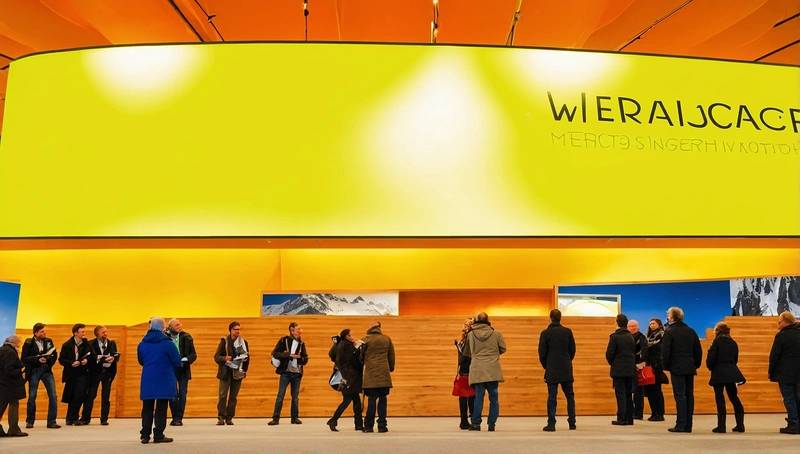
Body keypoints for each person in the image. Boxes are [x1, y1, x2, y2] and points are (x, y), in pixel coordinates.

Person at [137, 317, 181, 444]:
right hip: (165, 378)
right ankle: (158, 434)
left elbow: (141, 361)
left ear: (150, 327)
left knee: (147, 407)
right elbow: (177, 361)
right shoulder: (168, 343)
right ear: (163, 328)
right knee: (161, 407)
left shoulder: (142, 343)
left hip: (148, 378)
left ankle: (145, 435)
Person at [662, 306, 702, 433]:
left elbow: (666, 351)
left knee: (680, 396)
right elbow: (698, 351)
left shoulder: (669, 331)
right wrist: (695, 364)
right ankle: (688, 425)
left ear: (672, 317)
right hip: (689, 367)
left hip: (677, 367)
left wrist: (666, 366)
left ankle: (680, 424)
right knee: (689, 395)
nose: (667, 316)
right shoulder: (691, 331)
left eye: (668, 315)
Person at [463, 312, 506, 432]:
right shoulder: (497, 334)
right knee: (494, 399)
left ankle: (476, 424)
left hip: (478, 370)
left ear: (476, 321)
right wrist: (493, 355)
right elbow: (503, 348)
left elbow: (467, 352)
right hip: (493, 370)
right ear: (488, 321)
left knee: (478, 398)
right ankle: (491, 424)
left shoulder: (470, 335)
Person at [538, 309, 576, 432]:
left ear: (550, 318)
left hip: (552, 368)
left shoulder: (545, 333)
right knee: (570, 396)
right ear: (560, 318)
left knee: (552, 397)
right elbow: (572, 350)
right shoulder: (567, 332)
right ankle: (572, 423)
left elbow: (542, 353)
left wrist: (547, 365)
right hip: (566, 367)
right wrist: (567, 361)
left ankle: (551, 423)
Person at [706, 322, 745, 433]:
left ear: (717, 331)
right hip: (731, 371)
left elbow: (710, 360)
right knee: (734, 398)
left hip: (718, 372)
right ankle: (740, 425)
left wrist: (711, 367)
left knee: (720, 399)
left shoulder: (716, 342)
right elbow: (735, 359)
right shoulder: (733, 342)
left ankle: (721, 426)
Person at [268, 322, 308, 426]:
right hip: (285, 372)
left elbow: (305, 358)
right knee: (280, 396)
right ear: (292, 330)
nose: (300, 331)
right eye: (298, 329)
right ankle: (275, 418)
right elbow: (275, 353)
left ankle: (294, 418)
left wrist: (300, 358)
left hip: (297, 373)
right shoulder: (284, 340)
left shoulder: (302, 343)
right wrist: (288, 355)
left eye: (300, 329)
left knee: (295, 397)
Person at [21, 323, 60, 429]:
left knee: (53, 395)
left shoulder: (49, 341)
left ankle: (51, 421)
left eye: (44, 331)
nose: (44, 333)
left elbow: (54, 354)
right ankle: (30, 421)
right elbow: (24, 358)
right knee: (32, 396)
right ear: (35, 333)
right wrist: (38, 359)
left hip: (47, 370)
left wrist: (48, 361)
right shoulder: (28, 342)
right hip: (34, 370)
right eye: (42, 331)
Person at [768, 311, 800, 434]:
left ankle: (794, 424)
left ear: (786, 321)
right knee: (798, 398)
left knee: (789, 399)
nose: (778, 323)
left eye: (779, 321)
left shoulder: (782, 336)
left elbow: (774, 356)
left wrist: (771, 372)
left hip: (785, 373)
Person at [361, 321, 395, 433]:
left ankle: (368, 426)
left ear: (371, 328)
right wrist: (390, 368)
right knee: (383, 400)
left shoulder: (365, 339)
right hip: (384, 375)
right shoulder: (386, 339)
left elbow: (360, 356)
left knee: (371, 400)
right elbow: (391, 355)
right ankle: (382, 426)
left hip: (370, 375)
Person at [327, 328, 364, 432]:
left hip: (345, 377)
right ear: (346, 336)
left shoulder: (339, 345)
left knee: (355, 400)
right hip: (350, 377)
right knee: (348, 400)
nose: (352, 337)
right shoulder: (347, 346)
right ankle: (333, 420)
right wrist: (357, 348)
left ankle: (359, 425)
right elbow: (354, 361)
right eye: (350, 335)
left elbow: (332, 356)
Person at [214, 321, 250, 426]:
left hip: (237, 373)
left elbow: (247, 358)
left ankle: (229, 418)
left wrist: (244, 371)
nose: (238, 331)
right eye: (236, 329)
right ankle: (221, 417)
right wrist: (225, 358)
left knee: (233, 397)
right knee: (223, 395)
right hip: (225, 372)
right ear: (230, 330)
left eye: (239, 329)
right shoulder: (224, 341)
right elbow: (216, 357)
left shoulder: (243, 343)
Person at [83, 325, 120, 425]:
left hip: (108, 373)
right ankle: (86, 418)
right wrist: (100, 358)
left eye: (106, 332)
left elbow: (116, 354)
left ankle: (104, 419)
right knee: (91, 395)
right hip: (95, 373)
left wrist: (113, 358)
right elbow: (89, 357)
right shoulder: (90, 343)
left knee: (106, 396)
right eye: (103, 332)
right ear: (97, 334)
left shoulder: (112, 343)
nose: (106, 334)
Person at [58, 323, 92, 426]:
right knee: (71, 396)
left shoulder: (86, 343)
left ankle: (75, 417)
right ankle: (70, 418)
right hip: (71, 373)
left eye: (84, 331)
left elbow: (92, 355)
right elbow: (61, 360)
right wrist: (71, 363)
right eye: (82, 332)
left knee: (80, 395)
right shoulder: (67, 344)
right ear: (75, 333)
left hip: (82, 373)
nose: (84, 333)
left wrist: (86, 360)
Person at [606, 313, 636, 426]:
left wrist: (613, 363)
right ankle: (629, 418)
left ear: (617, 323)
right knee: (628, 393)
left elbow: (609, 354)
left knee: (620, 394)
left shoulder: (615, 337)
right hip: (630, 369)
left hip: (619, 369)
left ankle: (621, 418)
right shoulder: (631, 337)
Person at [167, 319, 197, 426]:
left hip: (183, 368)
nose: (179, 326)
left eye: (180, 324)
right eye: (176, 325)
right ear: (169, 327)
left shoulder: (187, 337)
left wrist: (186, 359)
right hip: (170, 369)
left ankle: (179, 418)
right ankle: (175, 417)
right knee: (172, 394)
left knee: (182, 394)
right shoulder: (165, 338)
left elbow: (193, 355)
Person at [0, 335, 28, 437]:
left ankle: (13, 429)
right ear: (14, 343)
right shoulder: (10, 352)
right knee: (13, 405)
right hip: (9, 385)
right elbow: (9, 370)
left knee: (2, 406)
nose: (19, 346)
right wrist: (21, 370)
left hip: (3, 384)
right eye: (19, 344)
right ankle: (14, 429)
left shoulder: (2, 349)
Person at [644, 318, 666, 421]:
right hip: (648, 366)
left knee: (657, 390)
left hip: (657, 366)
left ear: (659, 324)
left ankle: (660, 413)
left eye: (653, 323)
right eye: (650, 324)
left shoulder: (662, 334)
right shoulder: (648, 337)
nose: (651, 325)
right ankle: (654, 412)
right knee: (650, 391)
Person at [455, 318, 475, 430]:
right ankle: (471, 420)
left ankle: (464, 420)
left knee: (463, 396)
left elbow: (462, 357)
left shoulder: (463, 339)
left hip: (464, 369)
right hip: (470, 369)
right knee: (471, 396)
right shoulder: (470, 338)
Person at [628, 319, 648, 420]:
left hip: (637, 367)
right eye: (630, 326)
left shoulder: (642, 337)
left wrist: (640, 364)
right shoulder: (626, 336)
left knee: (638, 392)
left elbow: (644, 351)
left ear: (638, 327)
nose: (632, 328)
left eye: (634, 326)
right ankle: (630, 412)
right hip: (627, 367)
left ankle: (638, 413)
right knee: (628, 391)